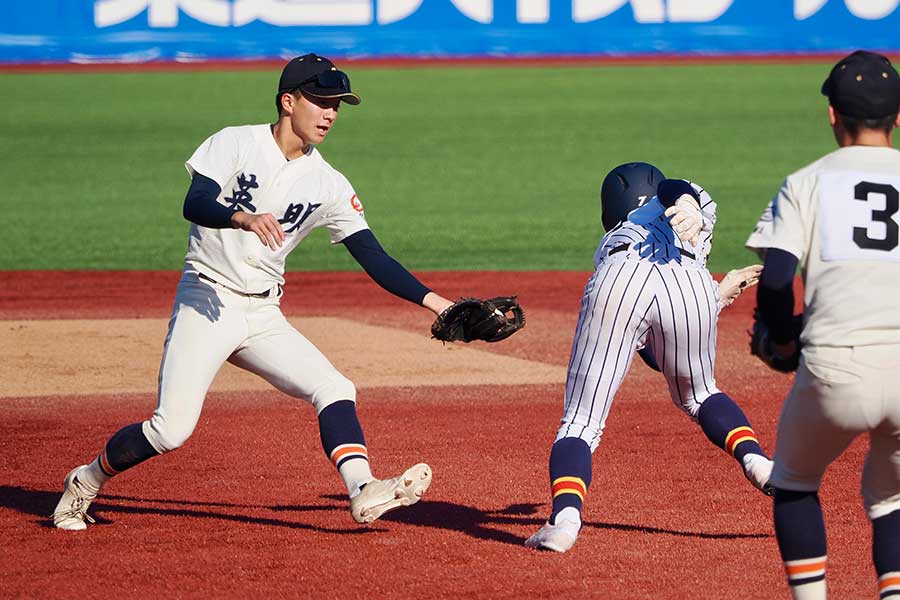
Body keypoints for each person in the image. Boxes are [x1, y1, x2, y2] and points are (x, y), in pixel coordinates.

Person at [52, 53, 468, 530]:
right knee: (171, 429)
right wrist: (241, 217)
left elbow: (372, 255)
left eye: (338, 104)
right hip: (206, 302)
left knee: (334, 387)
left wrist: (438, 302)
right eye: (322, 100)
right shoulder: (235, 143)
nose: (331, 113)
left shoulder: (329, 183)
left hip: (264, 315)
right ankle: (86, 479)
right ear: (288, 101)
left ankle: (363, 488)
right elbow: (195, 201)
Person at [524, 162, 771, 553]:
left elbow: (673, 188)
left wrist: (681, 197)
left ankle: (565, 520)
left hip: (619, 282)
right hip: (692, 285)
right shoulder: (691, 213)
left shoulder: (614, 239)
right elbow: (662, 358)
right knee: (701, 394)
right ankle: (756, 460)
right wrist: (716, 297)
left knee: (581, 423)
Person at [748, 50, 900, 600]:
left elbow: (775, 278)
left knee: (793, 482)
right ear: (899, 117)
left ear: (833, 115)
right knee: (891, 499)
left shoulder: (807, 182)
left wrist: (782, 339)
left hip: (836, 364)